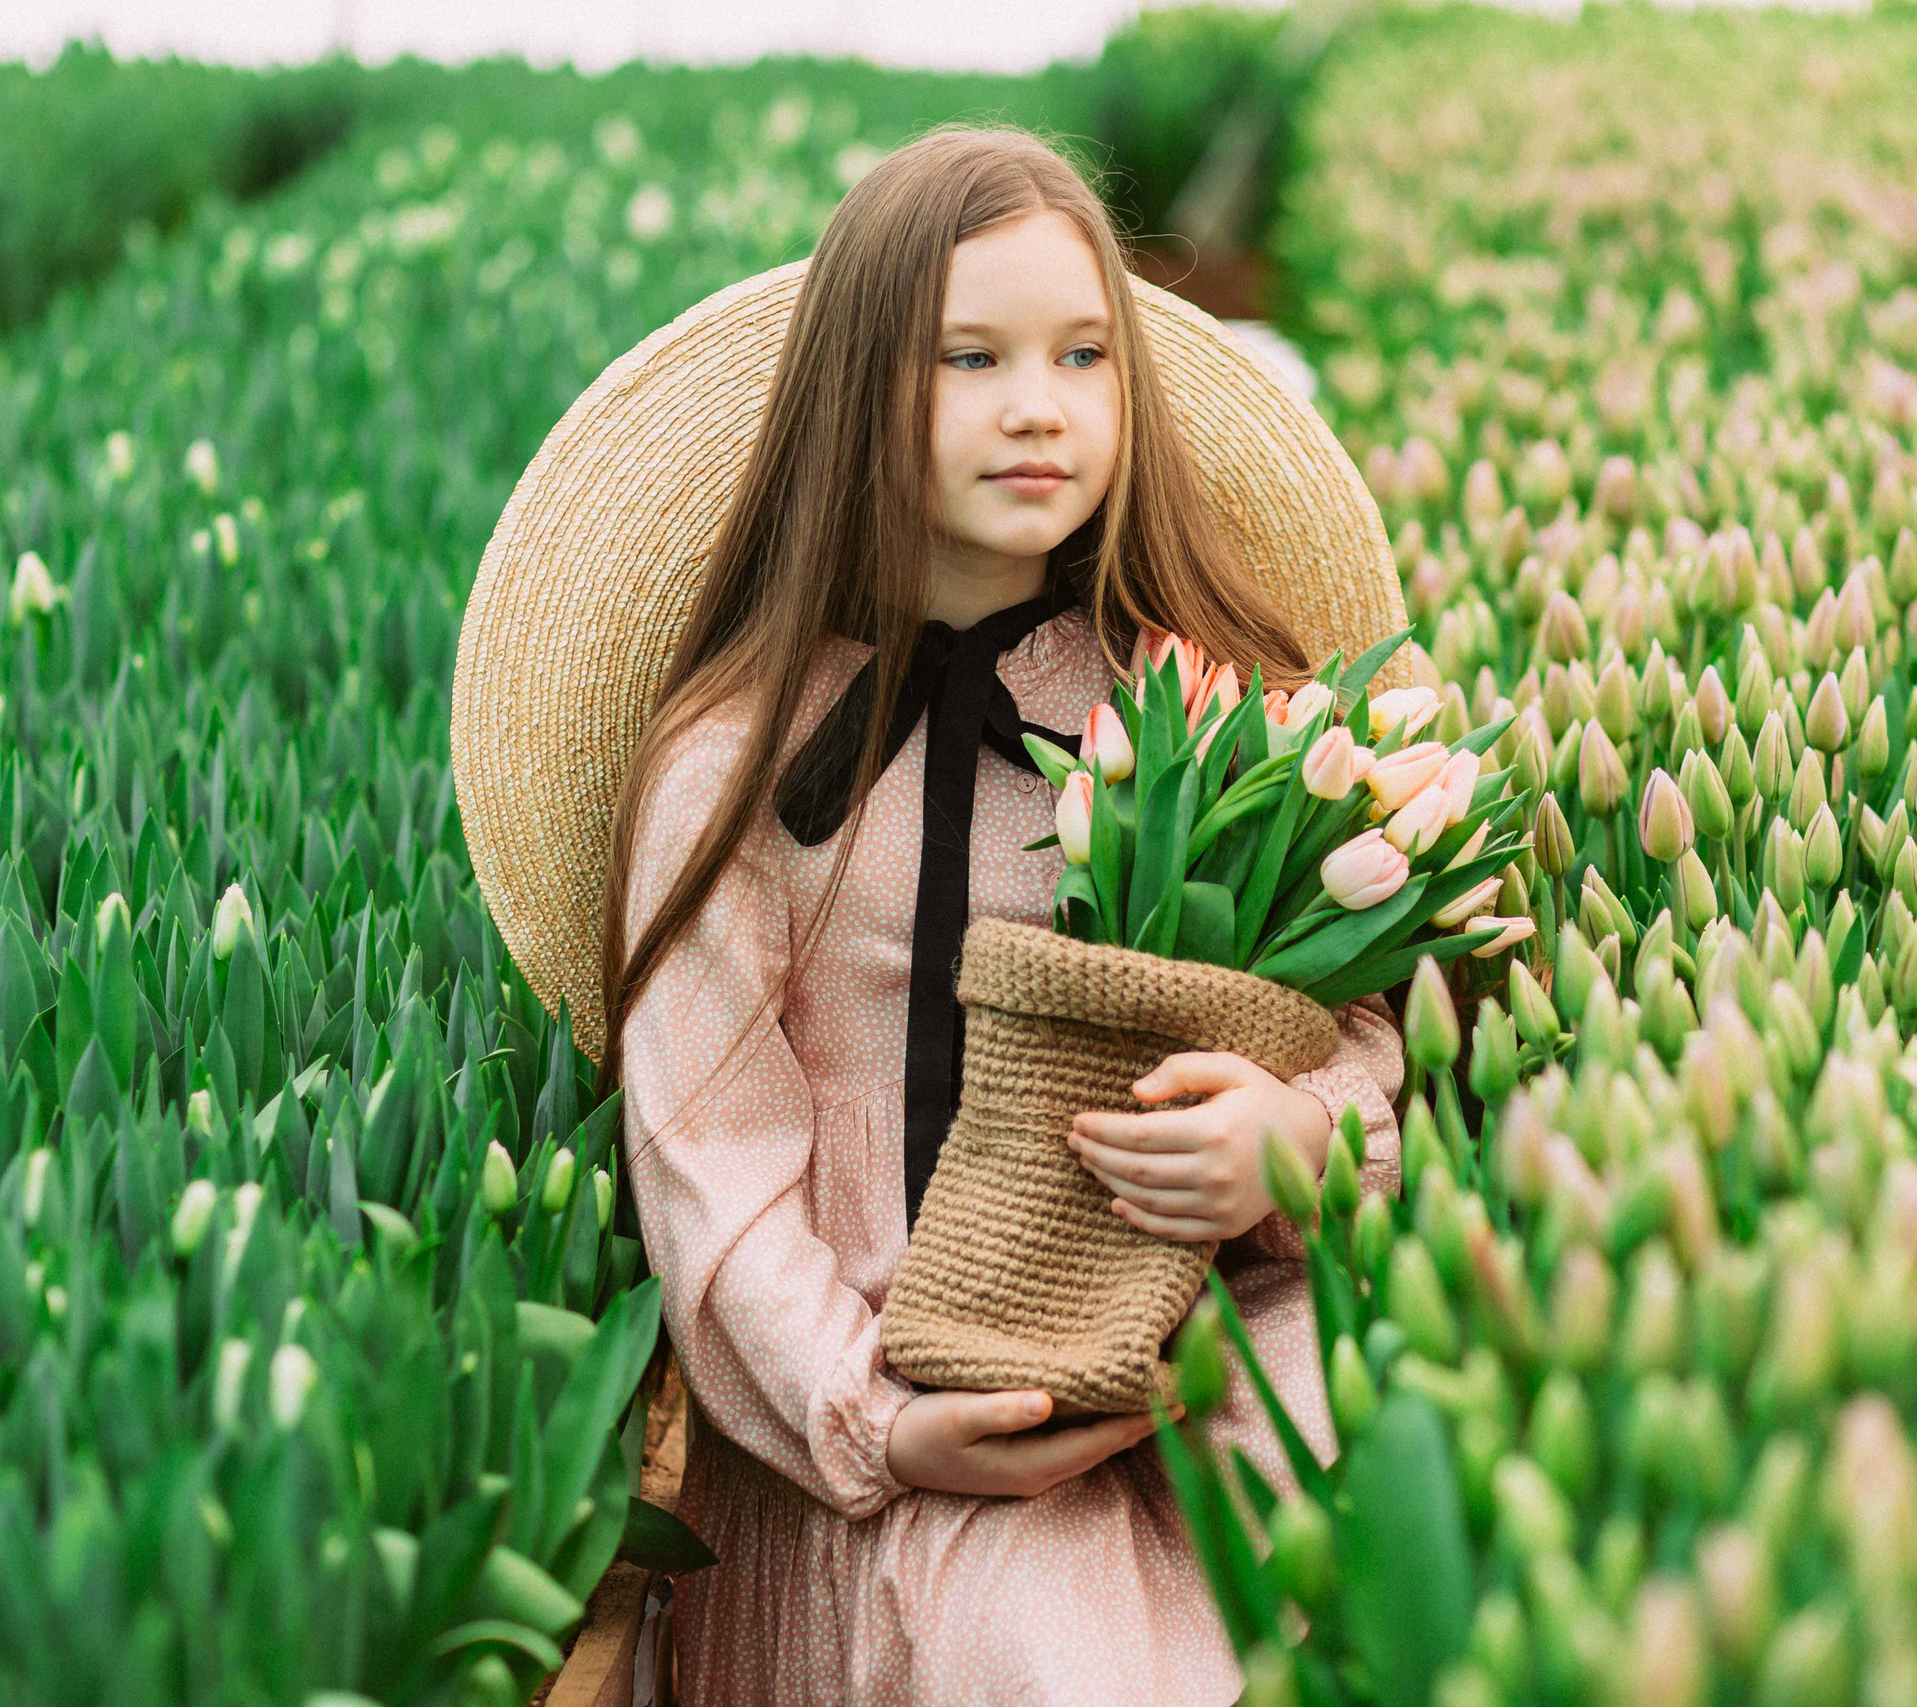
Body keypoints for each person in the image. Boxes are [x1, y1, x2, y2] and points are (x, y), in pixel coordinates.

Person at [596, 127, 1404, 1706]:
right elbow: (710, 1156)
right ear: (854, 392)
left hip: (1207, 1358)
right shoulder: (740, 763)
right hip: (900, 1418)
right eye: (970, 356)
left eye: (1083, 355)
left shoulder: (1202, 708)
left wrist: (1297, 1140)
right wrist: (875, 1417)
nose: (1038, 405)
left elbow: (1359, 1027)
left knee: (1395, 1585)